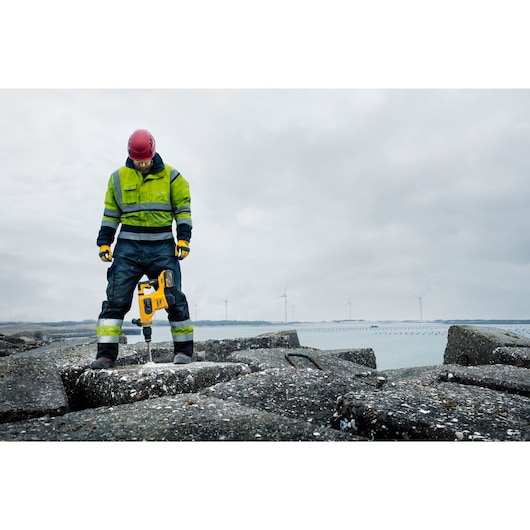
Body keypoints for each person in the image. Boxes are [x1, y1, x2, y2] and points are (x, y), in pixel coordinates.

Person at [91, 129, 194, 369]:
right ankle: (105, 355)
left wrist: (184, 239)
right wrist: (104, 242)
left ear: (153, 152)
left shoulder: (173, 177)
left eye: (146, 159)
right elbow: (110, 214)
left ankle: (184, 353)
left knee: (174, 299)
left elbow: (183, 211)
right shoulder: (117, 178)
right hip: (127, 249)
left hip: (162, 248)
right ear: (130, 156)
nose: (143, 164)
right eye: (138, 161)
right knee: (115, 300)